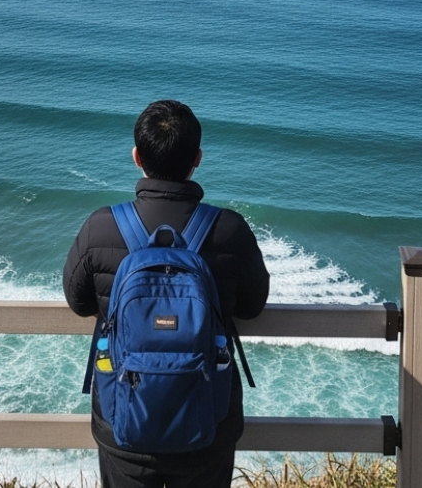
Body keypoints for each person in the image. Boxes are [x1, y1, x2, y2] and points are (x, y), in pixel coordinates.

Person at [63, 99, 270, 488]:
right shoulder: (230, 229)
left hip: (122, 421)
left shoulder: (101, 227)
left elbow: (79, 303)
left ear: (137, 156)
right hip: (208, 422)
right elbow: (252, 306)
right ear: (198, 159)